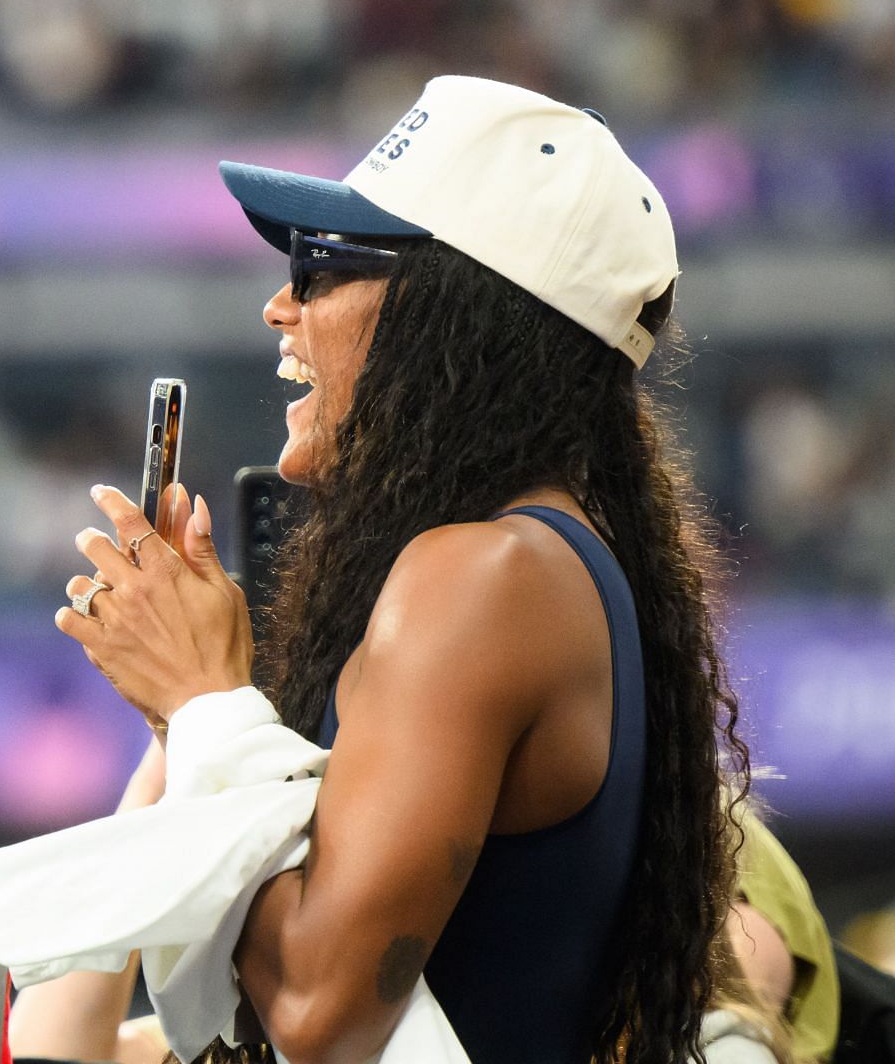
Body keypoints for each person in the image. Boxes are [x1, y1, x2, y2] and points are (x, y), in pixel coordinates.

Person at [55, 76, 748, 1064]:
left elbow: (316, 1018)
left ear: (458, 315)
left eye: (322, 265)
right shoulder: (545, 562)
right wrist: (188, 711)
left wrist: (205, 697)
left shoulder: (482, 576)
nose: (278, 306)